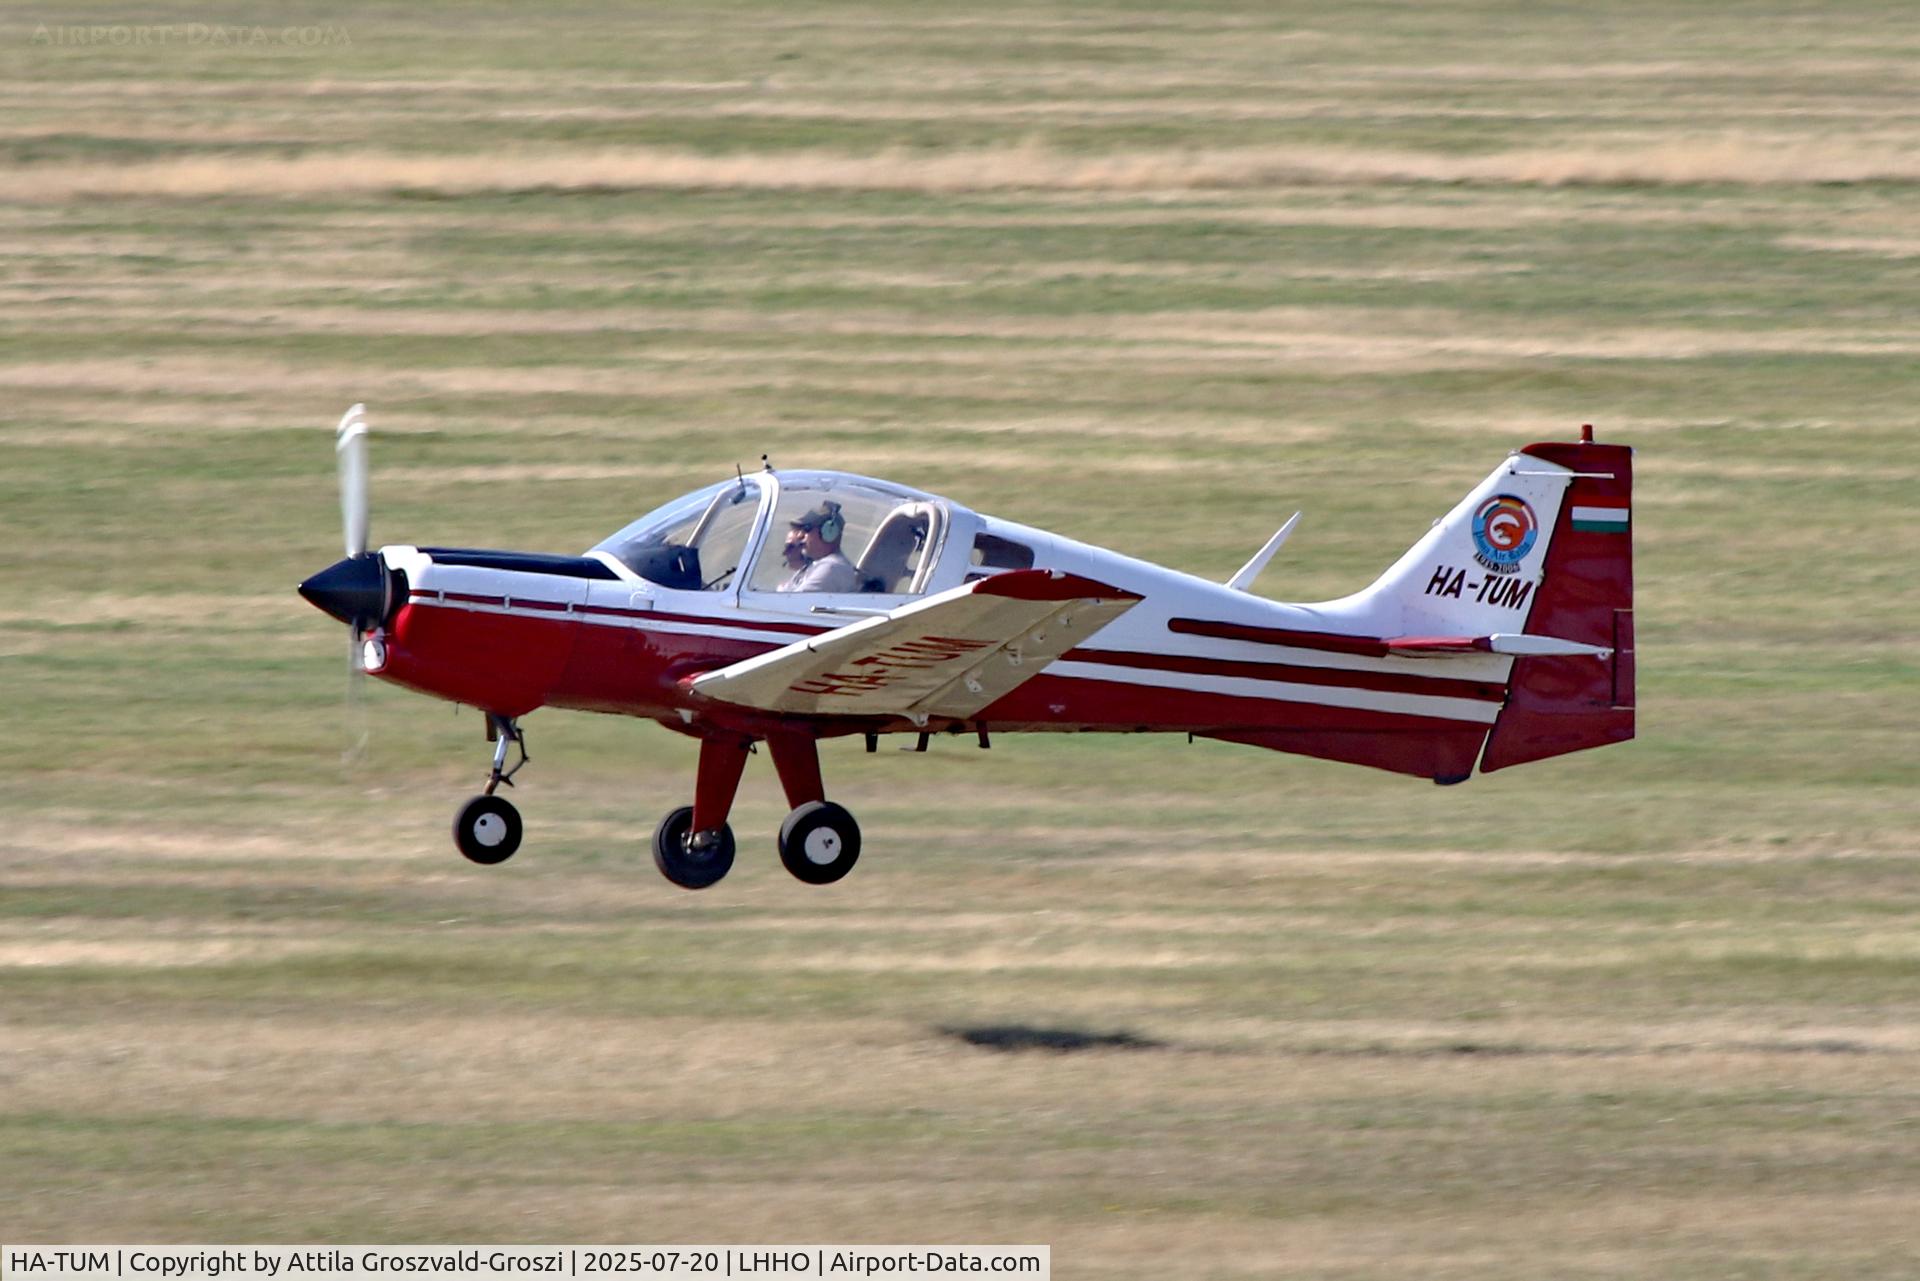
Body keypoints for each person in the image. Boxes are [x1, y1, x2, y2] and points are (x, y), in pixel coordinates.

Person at [777, 501, 860, 593]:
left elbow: (793, 599)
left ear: (828, 532)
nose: (800, 535)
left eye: (807, 529)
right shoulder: (814, 565)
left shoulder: (832, 568)